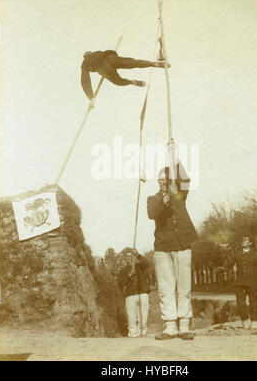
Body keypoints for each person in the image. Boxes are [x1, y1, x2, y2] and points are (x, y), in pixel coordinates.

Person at [147, 142, 198, 340]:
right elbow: (153, 213)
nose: (162, 182)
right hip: (162, 247)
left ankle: (184, 323)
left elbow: (185, 179)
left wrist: (173, 155)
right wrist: (166, 196)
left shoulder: (179, 192)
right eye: (160, 179)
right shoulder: (153, 199)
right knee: (166, 286)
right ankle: (170, 324)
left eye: (166, 178)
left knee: (184, 285)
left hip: (183, 243)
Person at [81, 50, 170, 106]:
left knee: (118, 81)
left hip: (103, 69)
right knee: (134, 63)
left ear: (85, 56)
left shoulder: (85, 63)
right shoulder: (97, 52)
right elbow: (111, 52)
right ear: (90, 52)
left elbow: (85, 80)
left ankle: (131, 82)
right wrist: (115, 59)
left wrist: (91, 97)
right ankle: (152, 63)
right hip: (111, 58)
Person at [223, 237, 257, 330]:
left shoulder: (255, 255)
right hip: (239, 283)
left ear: (250, 244)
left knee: (253, 302)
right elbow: (229, 264)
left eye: (246, 241)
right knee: (240, 303)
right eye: (243, 241)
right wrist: (223, 269)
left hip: (252, 283)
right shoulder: (237, 255)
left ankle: (254, 322)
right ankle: (245, 321)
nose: (244, 243)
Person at [118, 247, 150, 338]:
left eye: (131, 256)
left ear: (133, 257)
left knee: (143, 319)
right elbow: (120, 284)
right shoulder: (123, 270)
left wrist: (138, 254)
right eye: (127, 257)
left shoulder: (140, 266)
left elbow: (148, 263)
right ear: (125, 258)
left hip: (142, 293)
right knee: (131, 319)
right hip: (130, 295)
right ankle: (133, 335)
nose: (129, 258)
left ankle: (143, 335)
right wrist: (129, 275)